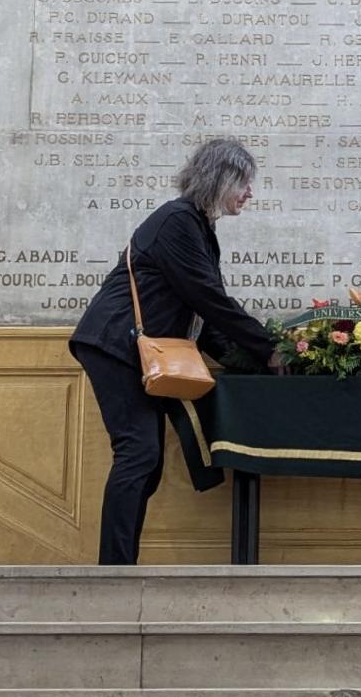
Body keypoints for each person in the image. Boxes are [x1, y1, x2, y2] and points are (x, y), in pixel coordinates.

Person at [69, 138, 280, 565]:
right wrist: (270, 349)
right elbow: (209, 299)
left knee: (145, 461)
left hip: (135, 349)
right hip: (114, 345)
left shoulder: (199, 228)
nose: (251, 193)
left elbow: (204, 321)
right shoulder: (176, 221)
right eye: (245, 182)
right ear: (221, 178)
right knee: (138, 454)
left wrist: (255, 359)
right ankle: (112, 573)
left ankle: (118, 566)